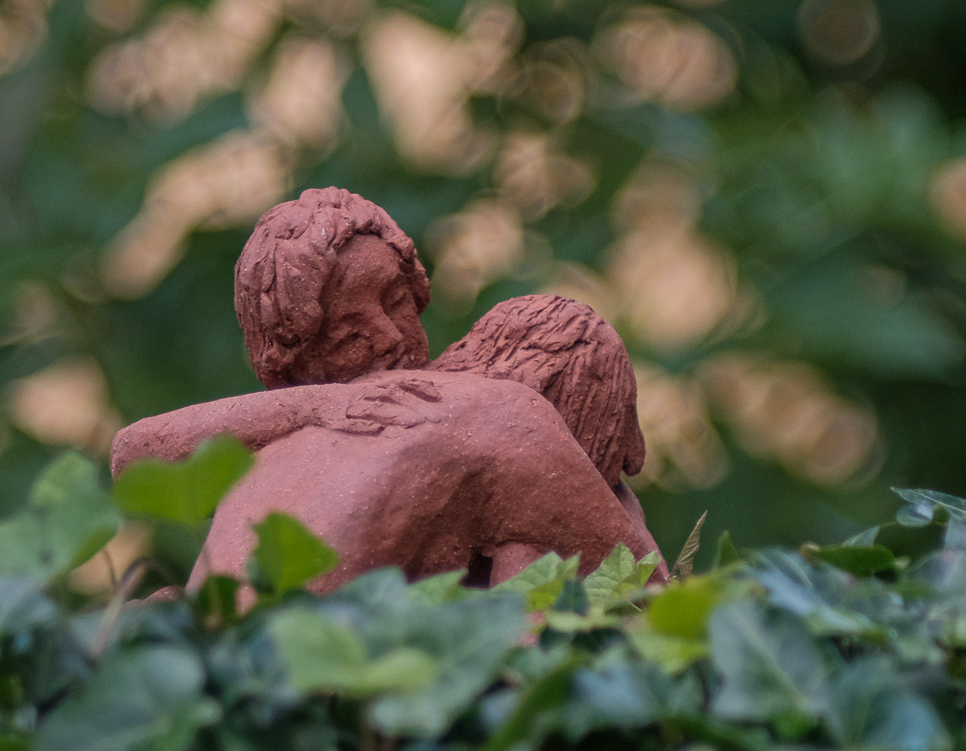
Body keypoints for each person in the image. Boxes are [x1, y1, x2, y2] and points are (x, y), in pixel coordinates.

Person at [109, 188, 661, 592]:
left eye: (397, 302)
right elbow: (645, 587)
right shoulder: (501, 414)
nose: (391, 337)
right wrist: (322, 403)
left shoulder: (278, 445)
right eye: (349, 334)